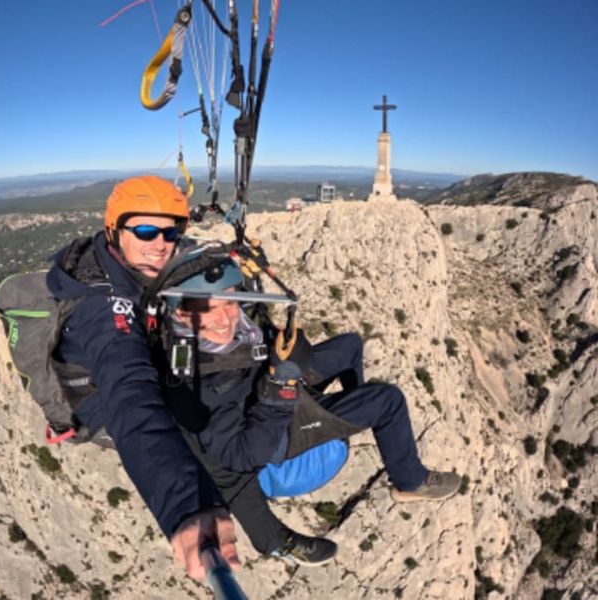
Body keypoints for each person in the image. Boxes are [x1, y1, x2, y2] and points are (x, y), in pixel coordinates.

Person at [155, 251, 461, 563]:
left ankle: (349, 420)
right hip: (274, 434)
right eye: (209, 308)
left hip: (267, 383)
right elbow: (243, 455)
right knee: (387, 400)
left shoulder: (226, 330)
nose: (225, 319)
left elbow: (248, 330)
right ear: (181, 314)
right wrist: (282, 384)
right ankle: (410, 481)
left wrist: (279, 342)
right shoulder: (199, 384)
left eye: (230, 302)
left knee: (350, 346)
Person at [45, 175, 239, 579]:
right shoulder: (103, 308)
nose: (161, 243)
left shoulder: (116, 263)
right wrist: (184, 507)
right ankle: (266, 532)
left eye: (171, 231)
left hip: (125, 382)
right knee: (215, 428)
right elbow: (130, 397)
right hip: (107, 406)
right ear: (113, 231)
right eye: (147, 230)